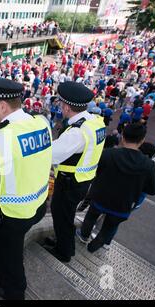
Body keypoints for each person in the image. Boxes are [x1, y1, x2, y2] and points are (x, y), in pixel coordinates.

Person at [0, 78, 52, 300]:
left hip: (10, 216)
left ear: (2, 106)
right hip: (38, 205)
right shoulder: (41, 122)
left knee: (8, 257)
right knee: (13, 250)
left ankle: (14, 291)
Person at [46, 81, 106, 263]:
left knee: (61, 216)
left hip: (70, 183)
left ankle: (64, 252)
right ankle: (63, 244)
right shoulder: (94, 121)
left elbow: (51, 155)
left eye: (61, 104)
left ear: (66, 106)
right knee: (66, 215)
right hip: (83, 180)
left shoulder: (77, 132)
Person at [77, 123, 155, 252]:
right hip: (123, 205)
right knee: (109, 227)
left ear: (122, 136)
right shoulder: (148, 165)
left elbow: (94, 173)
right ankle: (94, 246)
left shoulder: (108, 154)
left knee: (91, 217)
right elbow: (153, 190)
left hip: (100, 197)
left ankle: (83, 236)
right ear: (142, 140)